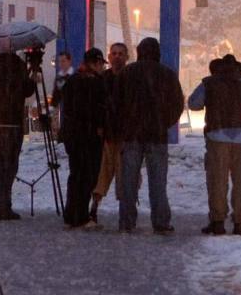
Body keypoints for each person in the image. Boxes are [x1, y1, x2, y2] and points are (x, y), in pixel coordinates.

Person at [188, 54, 241, 236]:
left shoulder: (209, 83)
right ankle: (240, 222)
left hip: (217, 135)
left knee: (217, 180)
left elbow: (193, 103)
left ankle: (218, 221)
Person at [116, 36, 184, 234]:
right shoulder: (168, 75)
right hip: (156, 135)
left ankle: (127, 221)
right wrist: (163, 123)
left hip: (132, 134)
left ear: (139, 52)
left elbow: (116, 103)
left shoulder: (127, 73)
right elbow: (177, 104)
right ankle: (161, 221)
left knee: (129, 181)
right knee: (158, 182)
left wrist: (125, 124)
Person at [0, 48, 36, 220]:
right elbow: (27, 90)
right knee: (7, 167)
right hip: (10, 122)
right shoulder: (17, 64)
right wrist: (32, 69)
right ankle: (4, 205)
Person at [59, 47, 107, 228]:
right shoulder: (96, 83)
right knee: (87, 177)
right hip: (89, 137)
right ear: (96, 63)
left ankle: (71, 213)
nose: (102, 67)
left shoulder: (72, 81)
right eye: (101, 64)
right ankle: (81, 215)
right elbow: (98, 110)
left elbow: (67, 105)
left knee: (75, 175)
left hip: (73, 136)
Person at [90, 42, 129, 223]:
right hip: (107, 134)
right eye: (114, 53)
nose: (117, 57)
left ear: (126, 57)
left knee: (124, 175)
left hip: (125, 134)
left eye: (120, 53)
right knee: (102, 173)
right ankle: (94, 207)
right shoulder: (103, 79)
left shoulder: (131, 78)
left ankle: (125, 211)